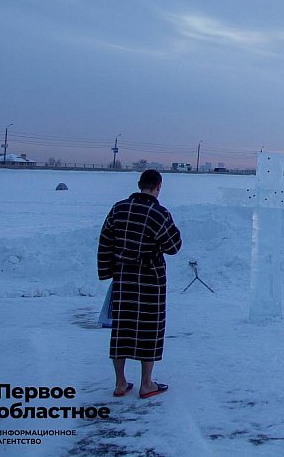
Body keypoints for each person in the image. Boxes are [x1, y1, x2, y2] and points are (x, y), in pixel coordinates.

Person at [97, 169, 182, 399]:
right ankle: (147, 383)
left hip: (124, 277)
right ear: (158, 187)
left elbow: (105, 241)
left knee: (121, 328)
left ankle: (120, 383)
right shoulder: (158, 214)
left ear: (139, 184)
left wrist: (107, 272)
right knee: (149, 328)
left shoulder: (119, 209)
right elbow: (174, 246)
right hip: (150, 278)